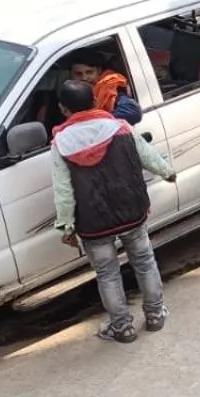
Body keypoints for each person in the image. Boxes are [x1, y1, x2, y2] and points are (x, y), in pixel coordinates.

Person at [51, 79, 175, 344]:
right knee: (144, 261)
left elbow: (63, 191)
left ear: (63, 109)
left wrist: (66, 226)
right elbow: (147, 155)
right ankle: (155, 315)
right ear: (94, 101)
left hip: (94, 223)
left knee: (107, 273)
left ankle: (122, 327)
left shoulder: (61, 143)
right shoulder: (120, 127)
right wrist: (167, 172)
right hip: (131, 212)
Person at [72, 49, 142, 125]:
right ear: (71, 74)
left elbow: (132, 112)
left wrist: (94, 124)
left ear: (98, 71)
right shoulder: (69, 92)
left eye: (89, 72)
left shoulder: (109, 86)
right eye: (78, 74)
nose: (84, 78)